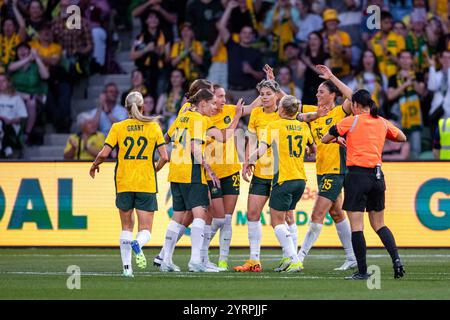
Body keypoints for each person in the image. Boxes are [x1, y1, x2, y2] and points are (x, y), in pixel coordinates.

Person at [322, 89, 407, 280]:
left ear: (355, 106)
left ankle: (362, 271)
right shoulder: (382, 122)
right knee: (379, 225)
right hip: (377, 177)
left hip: (357, 177)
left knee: (357, 227)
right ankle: (397, 261)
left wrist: (341, 139)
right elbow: (402, 137)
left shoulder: (350, 121)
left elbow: (325, 138)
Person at [160, 88, 243, 272]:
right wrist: (209, 169)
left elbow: (166, 138)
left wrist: (158, 166)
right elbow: (198, 145)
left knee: (177, 217)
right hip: (192, 172)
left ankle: (166, 260)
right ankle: (196, 261)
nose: (214, 107)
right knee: (201, 215)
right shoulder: (199, 119)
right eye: (212, 103)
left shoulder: (182, 117)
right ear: (203, 103)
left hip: (176, 172)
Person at [89, 91, 169, 278]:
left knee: (126, 226)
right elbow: (165, 157)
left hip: (124, 181)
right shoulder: (153, 127)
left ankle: (127, 269)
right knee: (145, 230)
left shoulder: (118, 127)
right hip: (145, 182)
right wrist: (154, 169)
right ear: (143, 107)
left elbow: (103, 153)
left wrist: (94, 165)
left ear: (126, 109)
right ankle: (138, 244)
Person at [294, 66, 357, 271]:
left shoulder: (341, 112)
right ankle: (352, 257)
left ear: (332, 95)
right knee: (337, 213)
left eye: (321, 91)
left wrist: (332, 77)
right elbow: (287, 106)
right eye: (317, 91)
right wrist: (272, 82)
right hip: (321, 169)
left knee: (316, 214)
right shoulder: (314, 112)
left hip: (336, 169)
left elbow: (353, 97)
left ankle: (299, 258)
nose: (317, 94)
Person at [247, 95, 314, 272]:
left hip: (283, 179)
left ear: (282, 110)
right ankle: (288, 259)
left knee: (277, 221)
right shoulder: (303, 126)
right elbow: (312, 149)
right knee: (286, 218)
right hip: (300, 179)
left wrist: (248, 161)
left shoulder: (274, 126)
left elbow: (261, 150)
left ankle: (294, 259)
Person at [201, 83, 260, 270]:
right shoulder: (204, 117)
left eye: (224, 96)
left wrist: (266, 88)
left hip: (231, 171)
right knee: (215, 218)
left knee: (226, 218)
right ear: (211, 98)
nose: (224, 100)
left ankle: (223, 259)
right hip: (212, 173)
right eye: (220, 96)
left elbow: (251, 108)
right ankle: (201, 254)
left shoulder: (229, 109)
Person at [235, 79, 282, 272]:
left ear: (277, 96)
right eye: (261, 94)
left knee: (285, 217)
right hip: (261, 171)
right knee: (252, 214)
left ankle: (292, 258)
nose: (264, 97)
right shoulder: (255, 113)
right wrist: (248, 162)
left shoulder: (283, 113)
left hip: (281, 172)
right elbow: (252, 141)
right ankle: (254, 259)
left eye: (268, 94)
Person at [387, 50, 426, 159]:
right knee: (397, 144)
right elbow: (390, 96)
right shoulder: (393, 77)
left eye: (408, 57)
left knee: (415, 147)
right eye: (402, 58)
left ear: (411, 60)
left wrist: (411, 81)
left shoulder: (418, 75)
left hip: (415, 116)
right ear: (399, 60)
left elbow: (422, 91)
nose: (405, 60)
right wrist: (405, 85)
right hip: (398, 115)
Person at [8, 42, 49, 144]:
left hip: (33, 96)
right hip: (15, 95)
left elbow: (46, 76)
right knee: (22, 98)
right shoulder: (14, 64)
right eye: (20, 49)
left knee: (31, 102)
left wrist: (37, 58)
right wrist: (28, 58)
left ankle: (27, 133)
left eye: (25, 49)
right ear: (16, 53)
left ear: (30, 51)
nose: (22, 51)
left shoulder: (35, 65)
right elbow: (10, 68)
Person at [0, 73, 27, 158]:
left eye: (3, 81)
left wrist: (10, 121)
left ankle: (5, 148)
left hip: (10, 126)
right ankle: (6, 148)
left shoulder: (16, 98)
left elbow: (23, 117)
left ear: (8, 83)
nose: (0, 83)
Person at [301, 31, 330, 105]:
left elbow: (325, 74)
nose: (312, 41)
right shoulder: (304, 56)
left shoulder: (326, 56)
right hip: (307, 90)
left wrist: (309, 64)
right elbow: (299, 75)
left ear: (320, 41)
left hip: (322, 90)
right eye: (310, 39)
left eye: (315, 39)